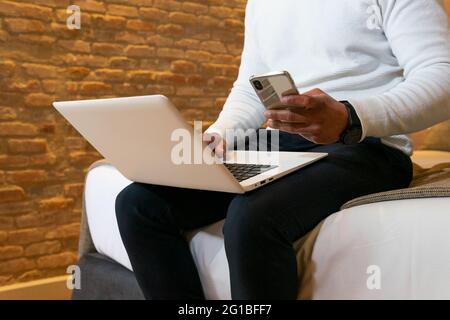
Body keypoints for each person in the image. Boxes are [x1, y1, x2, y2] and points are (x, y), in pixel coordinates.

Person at [115, 0, 450, 299]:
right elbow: (250, 89)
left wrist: (348, 116)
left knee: (251, 217)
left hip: (365, 143)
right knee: (138, 204)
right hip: (280, 141)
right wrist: (220, 136)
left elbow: (442, 77)